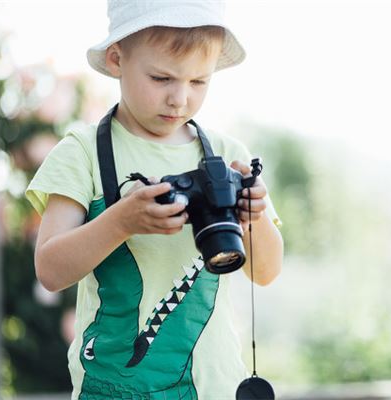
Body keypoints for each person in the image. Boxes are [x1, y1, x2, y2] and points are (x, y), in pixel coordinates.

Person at [25, 1, 283, 398]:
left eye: (199, 82)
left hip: (214, 387)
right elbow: (50, 270)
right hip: (112, 389)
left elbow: (265, 272)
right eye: (162, 78)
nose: (180, 98)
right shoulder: (83, 153)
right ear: (117, 59)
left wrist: (253, 218)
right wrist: (122, 221)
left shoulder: (226, 153)